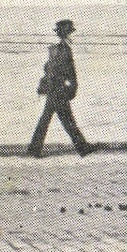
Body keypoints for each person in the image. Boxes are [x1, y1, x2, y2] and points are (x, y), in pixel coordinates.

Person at [27, 20, 92, 157]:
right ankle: (83, 148)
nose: (72, 36)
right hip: (59, 90)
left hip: (54, 89)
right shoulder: (65, 50)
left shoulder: (55, 50)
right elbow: (70, 71)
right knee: (66, 121)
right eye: (70, 33)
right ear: (66, 34)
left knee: (52, 120)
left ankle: (34, 149)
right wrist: (72, 87)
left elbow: (48, 68)